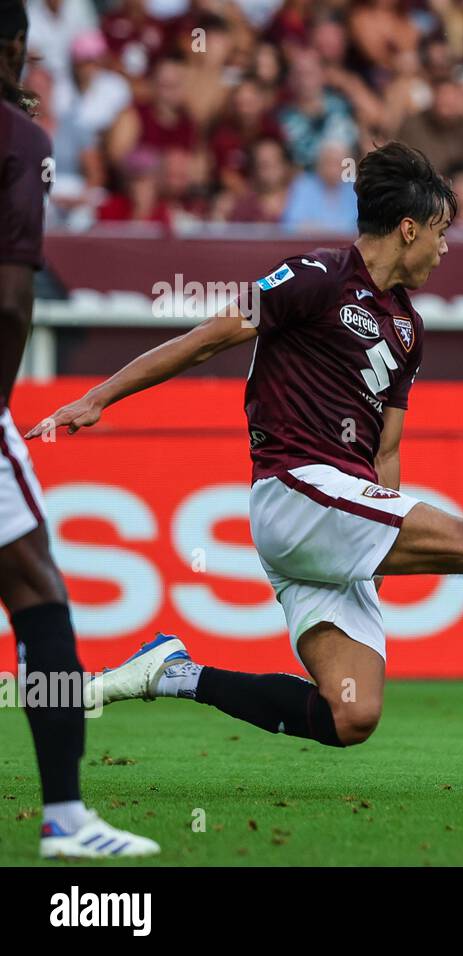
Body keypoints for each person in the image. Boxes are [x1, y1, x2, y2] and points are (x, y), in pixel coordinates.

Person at [31, 142, 463, 754]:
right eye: (442, 233)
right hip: (296, 491)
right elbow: (207, 337)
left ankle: (173, 673)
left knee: (351, 714)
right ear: (408, 227)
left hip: (344, 512)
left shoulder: (408, 329)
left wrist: (381, 542)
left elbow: (387, 448)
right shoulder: (314, 276)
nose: (445, 249)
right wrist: (100, 397)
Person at [0, 0, 158, 859]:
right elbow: (10, 297)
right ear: (17, 47)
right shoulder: (21, 141)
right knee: (37, 592)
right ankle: (65, 818)